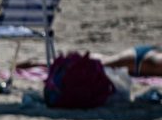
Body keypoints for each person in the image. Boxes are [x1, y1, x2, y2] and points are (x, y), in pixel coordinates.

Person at [19, 46, 162, 77]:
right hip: (139, 60)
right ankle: (40, 63)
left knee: (102, 60)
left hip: (140, 60)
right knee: (97, 63)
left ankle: (46, 61)